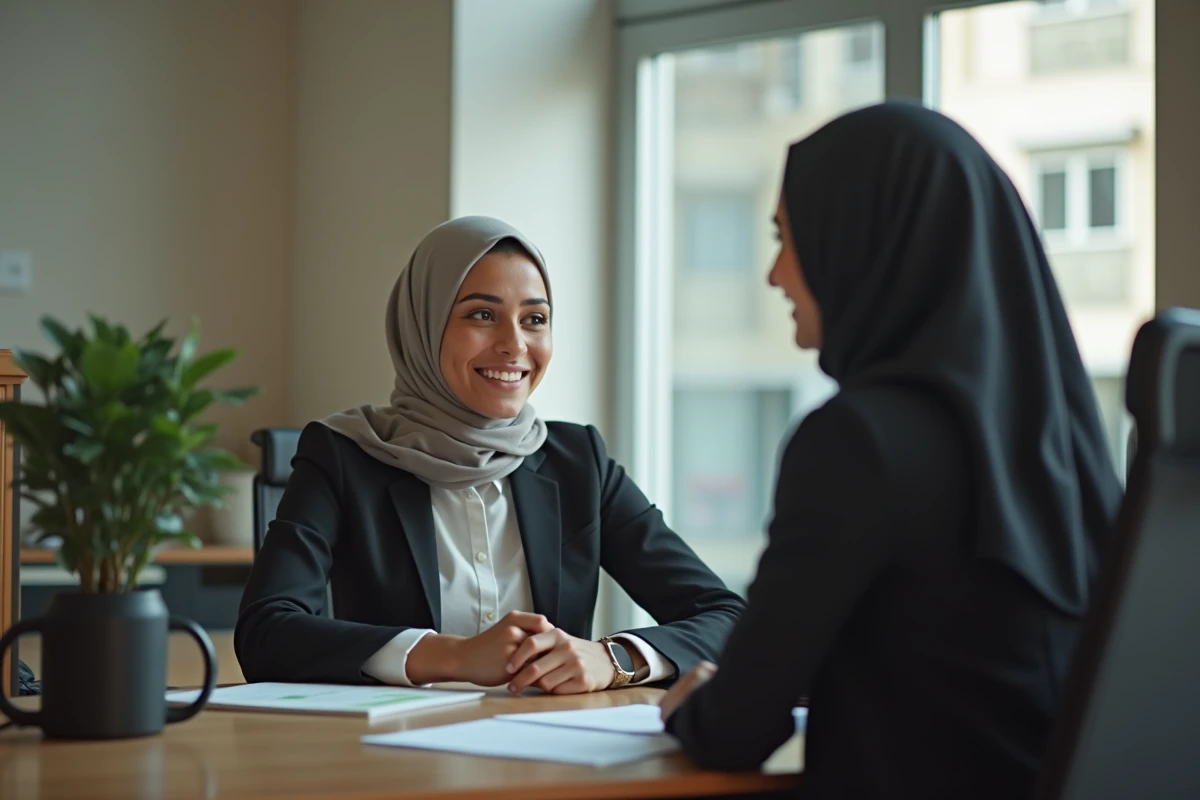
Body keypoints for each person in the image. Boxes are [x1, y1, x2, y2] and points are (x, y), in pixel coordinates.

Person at [659, 102, 1122, 799]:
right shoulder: (1063, 444)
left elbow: (735, 729)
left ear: (860, 240)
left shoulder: (858, 443)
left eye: (789, 238)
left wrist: (691, 704)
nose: (776, 274)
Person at [236, 216, 744, 695]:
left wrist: (613, 660)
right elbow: (266, 632)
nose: (514, 345)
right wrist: (451, 657)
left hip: (548, 754)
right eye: (482, 315)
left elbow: (726, 616)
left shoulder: (579, 462)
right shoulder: (345, 456)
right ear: (424, 325)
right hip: (397, 759)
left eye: (535, 319)